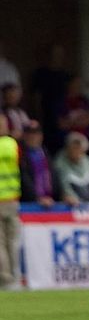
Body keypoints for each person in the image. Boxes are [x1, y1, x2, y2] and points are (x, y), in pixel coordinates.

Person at [0, 115, 22, 289]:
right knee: (13, 242)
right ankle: (16, 278)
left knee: (0, 245)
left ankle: (5, 280)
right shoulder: (12, 144)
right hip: (12, 200)